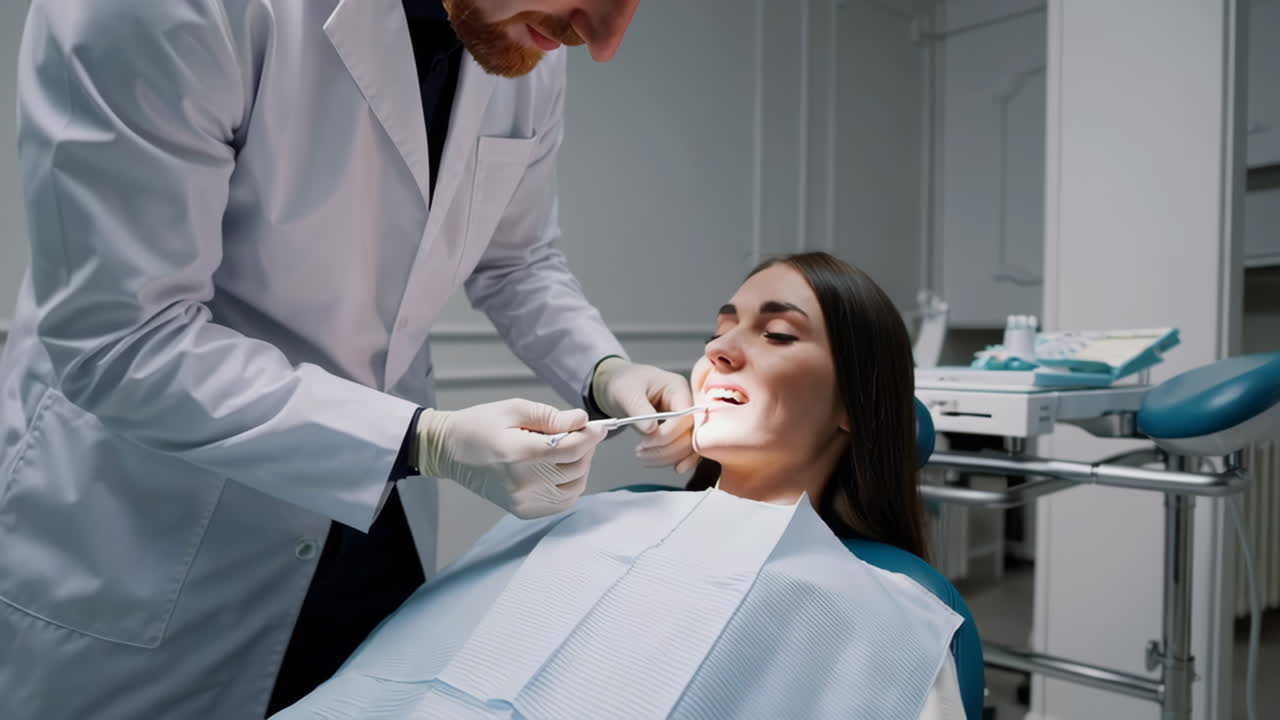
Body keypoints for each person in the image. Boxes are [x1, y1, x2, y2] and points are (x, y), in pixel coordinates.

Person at [0, 1, 698, 718]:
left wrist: (603, 369)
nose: (604, 41)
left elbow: (515, 258)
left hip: (368, 524)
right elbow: (124, 337)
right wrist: (421, 439)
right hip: (150, 528)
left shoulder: (523, 41)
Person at [271, 252, 967, 719]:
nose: (720, 350)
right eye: (721, 330)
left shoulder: (886, 614)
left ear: (856, 405)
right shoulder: (586, 524)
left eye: (778, 334)